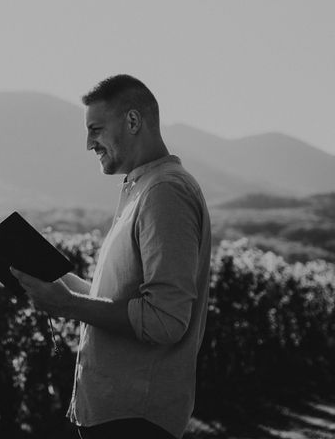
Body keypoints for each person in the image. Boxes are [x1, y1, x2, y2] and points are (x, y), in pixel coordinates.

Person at [11, 75, 211, 439]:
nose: (89, 144)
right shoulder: (142, 188)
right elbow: (125, 303)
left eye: (96, 129)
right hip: (120, 414)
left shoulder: (165, 192)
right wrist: (55, 280)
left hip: (135, 419)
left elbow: (165, 320)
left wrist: (68, 305)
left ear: (133, 122)